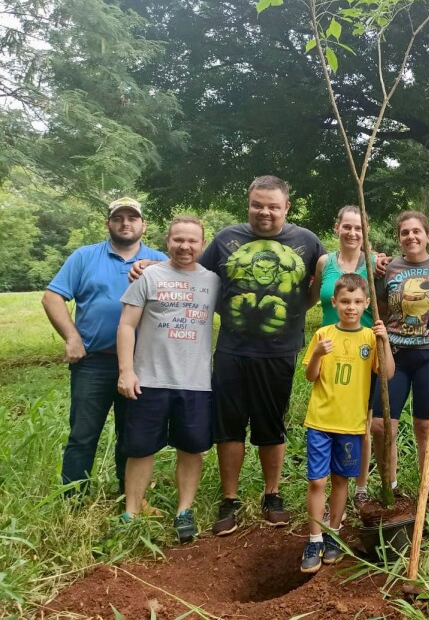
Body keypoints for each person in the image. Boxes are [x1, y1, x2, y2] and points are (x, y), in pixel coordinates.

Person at [133, 175, 325, 534]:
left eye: (272, 206)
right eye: (257, 204)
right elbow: (188, 266)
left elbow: (330, 275)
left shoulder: (307, 241)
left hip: (280, 351)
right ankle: (230, 499)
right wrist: (148, 263)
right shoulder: (225, 240)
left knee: (272, 426)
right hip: (232, 349)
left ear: (287, 207)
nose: (264, 212)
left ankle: (272, 494)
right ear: (248, 203)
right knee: (230, 427)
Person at [42, 197, 167, 496]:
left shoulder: (160, 260)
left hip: (141, 364)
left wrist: (152, 265)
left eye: (132, 218)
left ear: (143, 225)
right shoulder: (85, 257)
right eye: (119, 218)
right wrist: (72, 338)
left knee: (133, 433)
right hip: (93, 363)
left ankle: (129, 496)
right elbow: (52, 297)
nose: (126, 223)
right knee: (83, 434)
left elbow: (188, 281)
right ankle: (74, 498)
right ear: (108, 224)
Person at [116, 216, 220, 542]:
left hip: (195, 382)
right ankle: (131, 512)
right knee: (140, 449)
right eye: (178, 240)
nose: (185, 247)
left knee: (191, 449)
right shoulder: (149, 276)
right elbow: (126, 325)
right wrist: (126, 370)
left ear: (202, 244)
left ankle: (184, 511)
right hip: (149, 379)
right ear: (167, 242)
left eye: (192, 241)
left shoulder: (214, 281)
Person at [299, 274, 394, 572]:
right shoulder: (324, 334)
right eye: (345, 302)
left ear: (366, 303)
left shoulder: (369, 337)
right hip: (321, 420)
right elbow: (310, 376)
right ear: (334, 302)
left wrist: (385, 341)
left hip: (352, 425)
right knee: (317, 480)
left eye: (356, 302)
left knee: (341, 480)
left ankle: (334, 535)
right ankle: (315, 538)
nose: (350, 307)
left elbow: (388, 374)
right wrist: (316, 353)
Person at [371, 211, 429, 500]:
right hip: (394, 354)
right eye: (405, 232)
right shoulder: (387, 268)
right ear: (399, 238)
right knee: (381, 425)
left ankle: (426, 492)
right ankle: (389, 488)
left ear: (428, 235)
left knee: (425, 425)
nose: (411, 237)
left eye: (417, 231)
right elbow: (380, 307)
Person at [308, 205, 374, 508]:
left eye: (358, 228)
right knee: (329, 411)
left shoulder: (374, 262)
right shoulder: (324, 262)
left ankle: (360, 486)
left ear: (365, 231)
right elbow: (310, 297)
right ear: (337, 228)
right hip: (328, 347)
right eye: (347, 226)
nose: (352, 233)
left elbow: (381, 301)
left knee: (362, 420)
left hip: (362, 346)